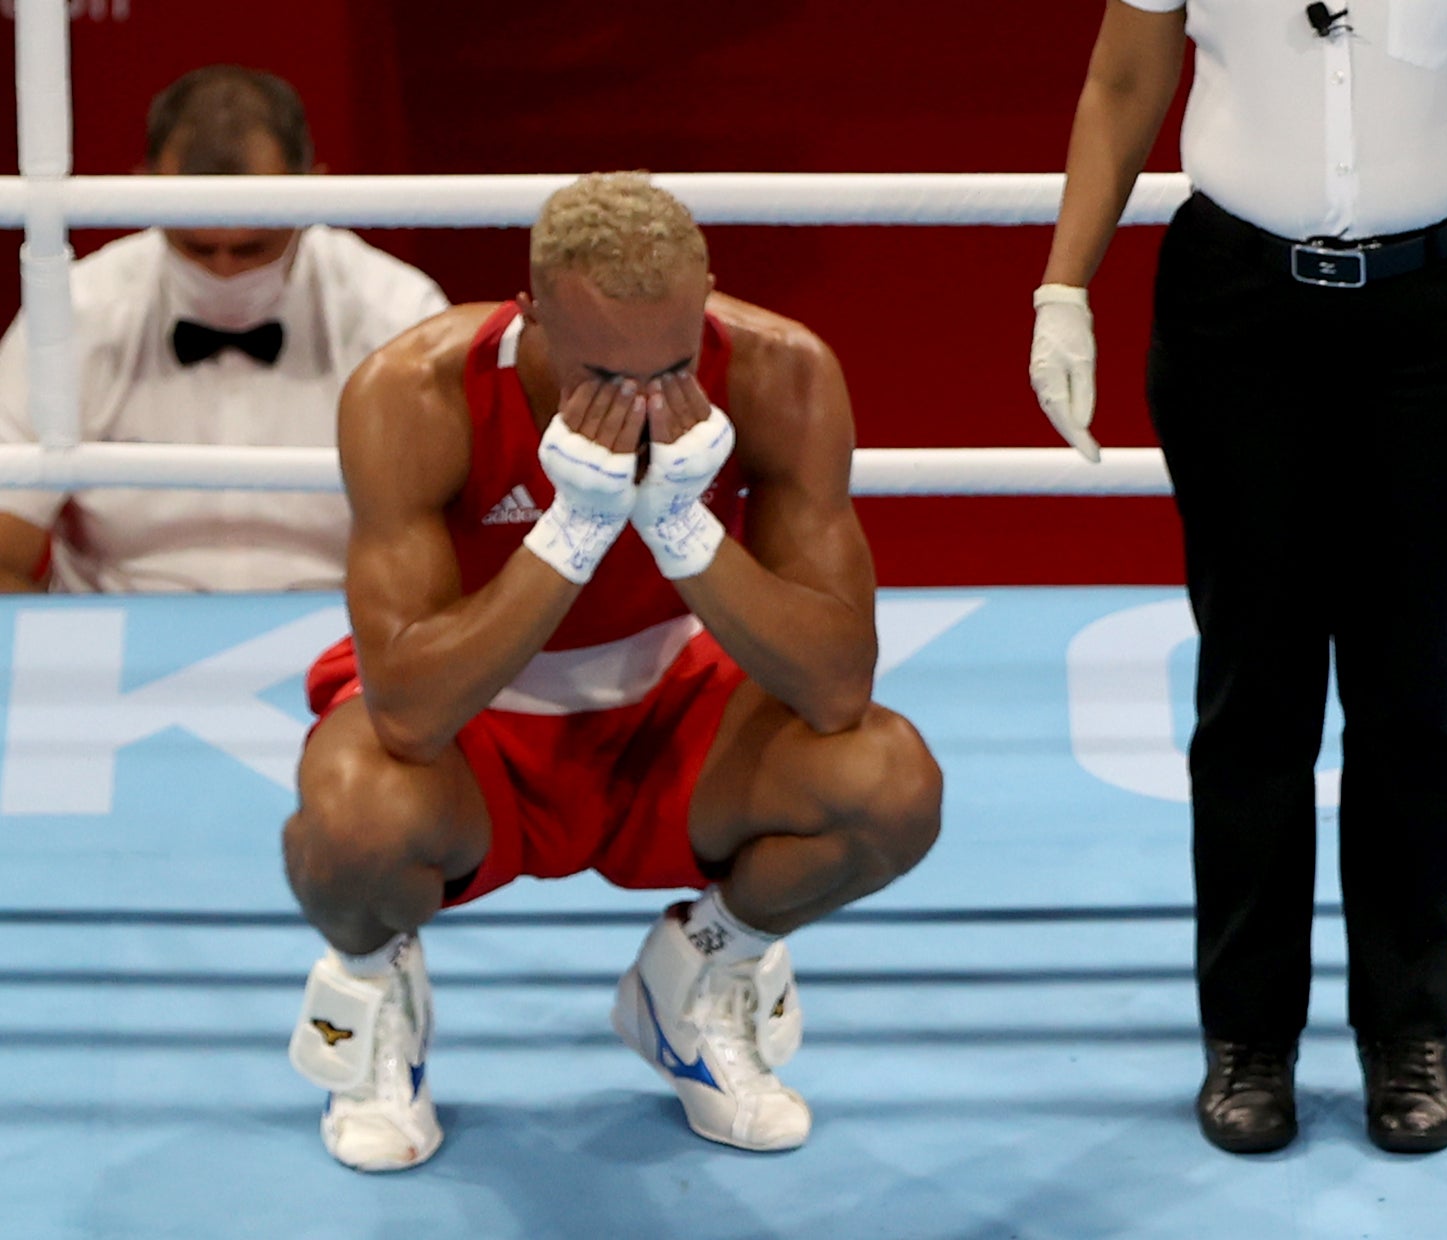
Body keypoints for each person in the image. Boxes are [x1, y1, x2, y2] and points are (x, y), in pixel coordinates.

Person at [281, 171, 943, 1172]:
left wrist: (683, 529)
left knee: (886, 785)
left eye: (669, 365)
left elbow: (836, 686)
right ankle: (374, 991)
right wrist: (574, 528)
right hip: (474, 732)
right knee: (349, 818)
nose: (638, 404)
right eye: (600, 373)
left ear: (708, 289)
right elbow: (410, 712)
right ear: (530, 306)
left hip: (676, 721)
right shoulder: (412, 393)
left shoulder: (780, 372)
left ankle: (697, 975)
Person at [1030, 2, 1447, 1154]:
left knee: (1411, 688)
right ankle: (1246, 1036)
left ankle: (1408, 1029)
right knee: (1252, 686)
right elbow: (1121, 80)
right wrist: (1063, 284)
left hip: (1446, 317)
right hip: (1238, 318)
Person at [0, 65, 449, 593]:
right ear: (144, 195)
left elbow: (456, 548)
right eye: (196, 246)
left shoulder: (397, 314)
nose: (224, 271)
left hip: (348, 639)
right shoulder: (77, 311)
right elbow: (4, 553)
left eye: (253, 246)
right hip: (119, 637)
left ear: (314, 196)